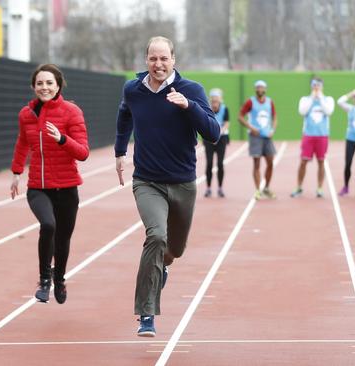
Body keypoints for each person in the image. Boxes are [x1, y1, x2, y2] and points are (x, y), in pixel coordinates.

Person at [114, 36, 220, 337]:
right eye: (152, 59)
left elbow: (212, 133)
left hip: (183, 183)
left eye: (164, 59)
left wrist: (189, 107)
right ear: (146, 60)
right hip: (147, 180)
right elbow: (124, 116)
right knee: (156, 237)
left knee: (174, 249)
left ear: (173, 60)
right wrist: (120, 152)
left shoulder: (191, 90)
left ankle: (163, 268)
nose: (158, 64)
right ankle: (147, 313)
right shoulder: (133, 90)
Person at [10, 64, 89, 304]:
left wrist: (62, 139)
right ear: (33, 86)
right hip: (38, 187)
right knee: (48, 224)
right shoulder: (26, 114)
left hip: (66, 187)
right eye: (40, 83)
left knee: (63, 238)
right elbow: (23, 143)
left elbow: (83, 153)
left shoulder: (71, 112)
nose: (44, 87)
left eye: (49, 83)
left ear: (58, 85)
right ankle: (45, 279)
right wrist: (16, 172)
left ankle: (60, 278)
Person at [291, 77, 335, 198]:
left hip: (322, 136)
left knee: (321, 161)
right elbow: (302, 111)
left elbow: (328, 111)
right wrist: (312, 98)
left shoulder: (328, 99)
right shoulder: (305, 99)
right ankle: (299, 187)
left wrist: (319, 98)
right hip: (308, 135)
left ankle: (320, 188)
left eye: (318, 85)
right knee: (303, 161)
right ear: (311, 86)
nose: (316, 87)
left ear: (322, 86)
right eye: (314, 85)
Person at [238, 80, 278, 200]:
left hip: (267, 136)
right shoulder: (251, 102)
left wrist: (273, 129)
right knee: (257, 164)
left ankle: (266, 188)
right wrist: (251, 127)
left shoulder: (270, 102)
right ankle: (257, 190)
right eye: (258, 87)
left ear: (265, 89)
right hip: (255, 136)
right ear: (255, 89)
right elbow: (240, 116)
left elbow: (275, 117)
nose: (260, 89)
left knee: (270, 162)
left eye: (262, 87)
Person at [336, 88, 355, 196]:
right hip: (351, 140)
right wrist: (351, 94)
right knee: (348, 163)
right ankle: (346, 186)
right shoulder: (350, 109)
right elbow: (339, 102)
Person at [203, 88, 230, 198]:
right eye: (213, 100)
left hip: (221, 138)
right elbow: (204, 122)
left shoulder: (225, 109)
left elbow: (227, 123)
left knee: (220, 163)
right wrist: (211, 135)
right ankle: (208, 188)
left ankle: (220, 188)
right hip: (209, 139)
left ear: (220, 100)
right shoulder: (206, 109)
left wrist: (218, 134)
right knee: (209, 163)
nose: (214, 102)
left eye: (216, 100)